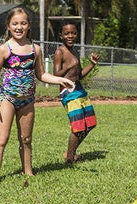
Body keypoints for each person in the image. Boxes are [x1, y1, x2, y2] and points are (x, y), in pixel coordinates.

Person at [0, 7, 75, 185]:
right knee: (1, 138)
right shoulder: (4, 49)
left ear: (28, 26)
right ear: (9, 26)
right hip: (7, 99)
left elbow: (41, 74)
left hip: (27, 100)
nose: (19, 27)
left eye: (23, 23)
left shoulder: (35, 49)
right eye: (15, 23)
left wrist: (60, 80)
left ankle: (28, 171)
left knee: (26, 139)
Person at [53, 21, 99, 164]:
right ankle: (69, 159)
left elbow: (79, 75)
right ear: (61, 35)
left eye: (73, 33)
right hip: (68, 92)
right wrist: (68, 67)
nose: (70, 36)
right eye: (66, 33)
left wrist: (91, 64)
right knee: (78, 126)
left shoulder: (75, 51)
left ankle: (70, 152)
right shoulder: (60, 52)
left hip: (79, 89)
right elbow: (55, 75)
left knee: (90, 123)